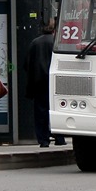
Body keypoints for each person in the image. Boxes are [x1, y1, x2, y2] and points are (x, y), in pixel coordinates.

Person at [25, 19, 65, 147]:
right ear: (55, 29)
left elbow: (27, 64)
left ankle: (43, 140)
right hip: (56, 83)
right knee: (57, 110)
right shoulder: (57, 43)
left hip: (39, 82)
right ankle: (59, 138)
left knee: (40, 111)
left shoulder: (35, 43)